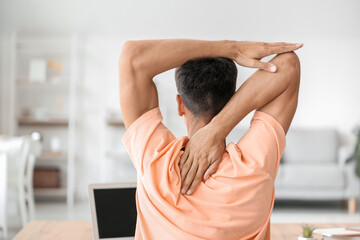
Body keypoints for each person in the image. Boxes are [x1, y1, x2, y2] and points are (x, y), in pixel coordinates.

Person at [119, 39, 302, 240]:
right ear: (233, 100)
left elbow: (132, 56)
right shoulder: (253, 170)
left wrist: (233, 49)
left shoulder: (155, 162)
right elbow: (289, 64)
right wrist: (218, 127)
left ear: (180, 105)